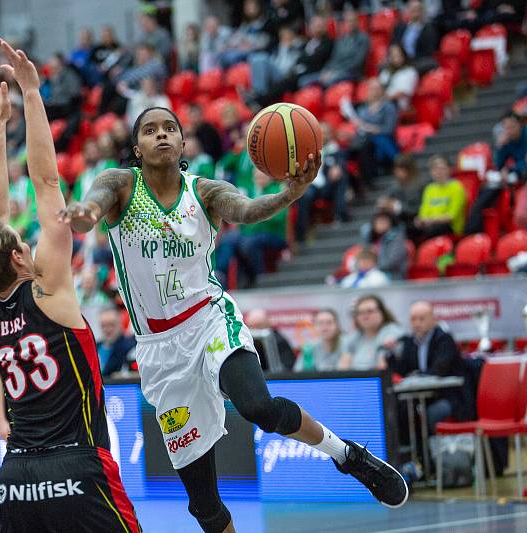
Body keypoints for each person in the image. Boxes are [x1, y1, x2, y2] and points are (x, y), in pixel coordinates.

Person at [61, 105, 408, 531]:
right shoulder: (118, 185)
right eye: (150, 130)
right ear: (136, 147)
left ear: (183, 143)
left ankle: (347, 455)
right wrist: (83, 216)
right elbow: (92, 208)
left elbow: (246, 209)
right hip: (158, 349)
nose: (162, 135)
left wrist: (288, 194)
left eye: (170, 127)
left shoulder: (204, 191)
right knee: (204, 505)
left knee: (258, 407)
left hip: (209, 319)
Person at [0, 39, 139, 531]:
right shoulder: (50, 293)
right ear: (19, 257)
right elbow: (47, 185)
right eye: (19, 240)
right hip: (77, 467)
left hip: (16, 475)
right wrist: (32, 95)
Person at [387, 301, 465, 432]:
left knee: (433, 412)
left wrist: (415, 375)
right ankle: (408, 450)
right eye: (413, 319)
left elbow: (439, 370)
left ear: (434, 320)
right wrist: (392, 353)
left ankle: (431, 451)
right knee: (397, 409)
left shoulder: (444, 339)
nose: (417, 323)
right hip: (419, 397)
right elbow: (401, 371)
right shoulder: (409, 342)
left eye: (421, 319)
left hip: (449, 396)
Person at [464, 113, 526, 235]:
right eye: (506, 128)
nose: (509, 130)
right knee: (486, 190)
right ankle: (473, 231)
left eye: (512, 126)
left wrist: (511, 168)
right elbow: (499, 165)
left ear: (520, 124)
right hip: (513, 178)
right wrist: (500, 146)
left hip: (522, 176)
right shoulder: (507, 141)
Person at [294, 122, 349, 244]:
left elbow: (341, 161)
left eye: (326, 133)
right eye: (321, 133)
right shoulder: (307, 150)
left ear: (331, 135)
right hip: (311, 185)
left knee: (341, 176)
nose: (323, 136)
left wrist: (338, 167)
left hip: (327, 186)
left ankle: (340, 215)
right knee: (304, 195)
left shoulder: (336, 149)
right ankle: (301, 235)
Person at [347, 78, 399, 185]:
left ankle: (371, 179)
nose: (373, 91)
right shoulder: (363, 109)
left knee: (367, 146)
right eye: (371, 88)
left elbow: (389, 129)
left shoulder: (388, 107)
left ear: (382, 90)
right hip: (363, 139)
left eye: (376, 88)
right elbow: (359, 128)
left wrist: (370, 128)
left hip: (382, 139)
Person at [303, 8, 369, 88]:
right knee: (304, 81)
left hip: (351, 72)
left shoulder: (363, 39)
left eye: (352, 20)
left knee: (328, 81)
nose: (350, 23)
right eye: (347, 21)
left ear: (357, 22)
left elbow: (357, 62)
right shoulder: (341, 39)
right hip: (335, 72)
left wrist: (335, 71)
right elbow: (333, 58)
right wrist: (326, 71)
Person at [340, 295, 403, 370]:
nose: (365, 316)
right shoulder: (354, 337)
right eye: (360, 313)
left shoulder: (392, 331)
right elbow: (343, 368)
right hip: (357, 380)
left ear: (382, 313)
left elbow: (383, 366)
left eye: (370, 311)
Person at [415, 154, 466, 240]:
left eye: (442, 168)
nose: (438, 172)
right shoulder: (429, 189)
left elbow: (451, 216)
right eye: (435, 169)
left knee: (433, 230)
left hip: (450, 227)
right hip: (431, 224)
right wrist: (420, 220)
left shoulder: (456, 187)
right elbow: (423, 212)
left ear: (449, 169)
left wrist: (430, 220)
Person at [377, 153, 427, 237]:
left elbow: (419, 208)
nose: (397, 173)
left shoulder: (421, 185)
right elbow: (386, 199)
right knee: (368, 228)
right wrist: (383, 204)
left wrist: (397, 206)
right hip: (397, 221)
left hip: (413, 220)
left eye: (400, 170)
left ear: (409, 170)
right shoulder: (395, 185)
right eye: (396, 169)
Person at [392, 0, 439, 74]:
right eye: (411, 8)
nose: (414, 10)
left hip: (417, 60)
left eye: (417, 8)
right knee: (383, 65)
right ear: (407, 10)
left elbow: (429, 52)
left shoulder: (429, 29)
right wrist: (397, 57)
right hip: (399, 58)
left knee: (430, 63)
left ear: (422, 11)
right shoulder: (399, 27)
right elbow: (394, 44)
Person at [362, 211, 408, 281]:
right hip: (372, 273)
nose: (380, 224)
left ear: (390, 223)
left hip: (392, 275)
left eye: (383, 222)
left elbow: (393, 261)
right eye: (378, 222)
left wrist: (374, 267)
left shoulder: (397, 238)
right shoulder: (371, 239)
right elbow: (363, 258)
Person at [96, 307, 137, 377]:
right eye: (103, 326)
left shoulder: (130, 347)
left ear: (120, 324)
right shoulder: (96, 346)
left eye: (111, 325)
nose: (107, 329)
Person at [378, 44, 419, 111]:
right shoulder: (386, 71)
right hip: (382, 101)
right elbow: (379, 86)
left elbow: (402, 93)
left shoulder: (410, 72)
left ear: (403, 56)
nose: (395, 58)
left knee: (383, 106)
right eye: (392, 55)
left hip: (397, 104)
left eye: (397, 55)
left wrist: (383, 98)